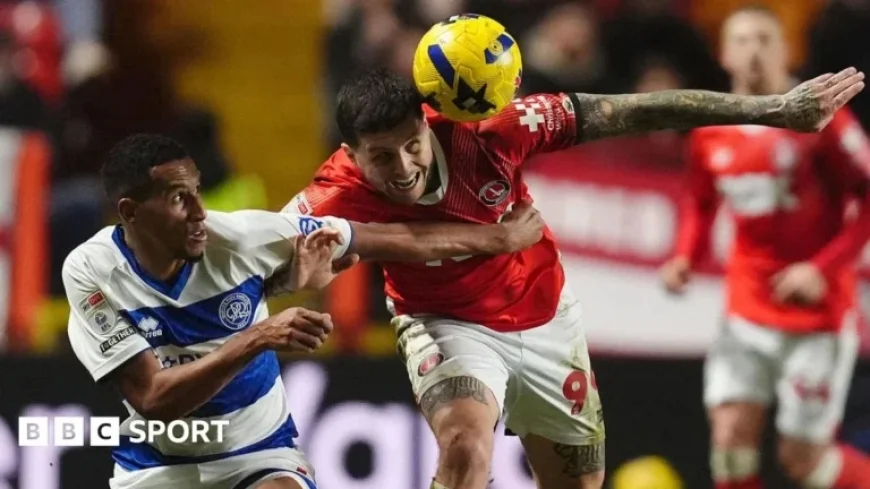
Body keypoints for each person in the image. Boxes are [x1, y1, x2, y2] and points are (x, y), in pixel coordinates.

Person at [282, 62, 864, 489]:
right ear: (351, 155)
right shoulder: (334, 189)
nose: (403, 168)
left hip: (542, 318)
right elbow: (268, 247)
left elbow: (636, 111)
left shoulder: (495, 129)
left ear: (425, 123)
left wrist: (771, 111)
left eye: (412, 146)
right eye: (381, 158)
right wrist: (287, 275)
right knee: (464, 449)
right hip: (442, 323)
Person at [63, 133, 547, 489]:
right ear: (129, 213)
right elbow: (154, 399)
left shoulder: (241, 238)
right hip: (153, 467)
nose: (199, 211)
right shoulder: (90, 271)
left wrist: (497, 238)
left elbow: (383, 238)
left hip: (257, 454)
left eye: (197, 191)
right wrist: (260, 333)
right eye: (177, 198)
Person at [660, 6, 870, 489]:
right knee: (730, 440)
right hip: (746, 309)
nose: (754, 50)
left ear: (785, 49)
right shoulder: (710, 128)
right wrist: (685, 257)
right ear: (724, 53)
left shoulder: (822, 118)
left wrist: (823, 268)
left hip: (817, 315)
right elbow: (700, 201)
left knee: (804, 461)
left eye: (764, 39)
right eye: (743, 40)